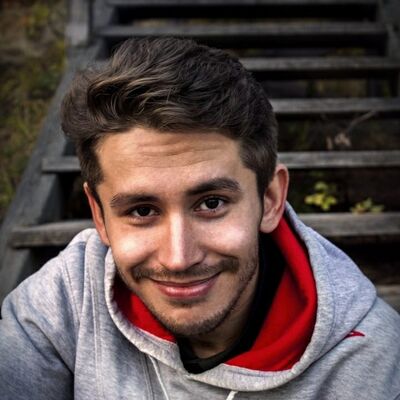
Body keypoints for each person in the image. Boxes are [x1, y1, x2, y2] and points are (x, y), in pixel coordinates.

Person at [1, 37, 399, 400]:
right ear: (100, 217)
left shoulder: (370, 361)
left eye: (211, 204)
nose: (179, 258)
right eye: (142, 211)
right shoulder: (68, 298)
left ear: (270, 200)